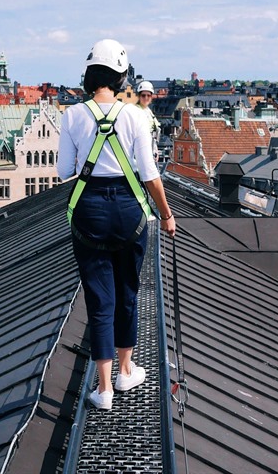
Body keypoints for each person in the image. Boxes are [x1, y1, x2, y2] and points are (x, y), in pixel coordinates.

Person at [57, 39, 176, 411]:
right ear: (123, 76)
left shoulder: (73, 115)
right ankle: (127, 370)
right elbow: (150, 173)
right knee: (127, 289)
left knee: (99, 297)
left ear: (90, 75)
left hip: (89, 210)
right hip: (129, 211)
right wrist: (167, 215)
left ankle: (104, 388)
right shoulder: (135, 115)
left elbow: (64, 171)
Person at [136, 80, 161, 162]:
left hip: (151, 148)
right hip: (141, 150)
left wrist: (155, 150)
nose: (146, 98)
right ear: (139, 96)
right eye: (143, 95)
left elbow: (154, 133)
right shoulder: (135, 111)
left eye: (148, 95)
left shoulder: (148, 111)